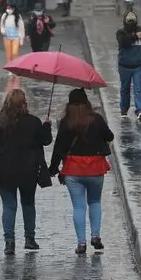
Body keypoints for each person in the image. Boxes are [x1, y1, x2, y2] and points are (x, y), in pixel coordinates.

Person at [0, 89, 53, 255]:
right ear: (24, 103)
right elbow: (45, 141)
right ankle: (30, 239)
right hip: (29, 170)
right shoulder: (33, 122)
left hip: (4, 170)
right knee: (28, 203)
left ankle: (9, 242)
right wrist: (47, 127)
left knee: (9, 205)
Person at [49, 89, 115, 254]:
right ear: (87, 103)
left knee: (79, 207)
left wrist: (53, 168)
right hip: (95, 168)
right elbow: (110, 135)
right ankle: (96, 235)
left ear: (69, 104)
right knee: (95, 202)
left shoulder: (66, 122)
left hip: (73, 169)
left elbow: (59, 148)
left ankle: (81, 243)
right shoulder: (96, 119)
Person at [117, 10, 141, 121]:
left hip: (138, 66)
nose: (131, 22)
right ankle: (124, 109)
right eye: (129, 20)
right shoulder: (121, 33)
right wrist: (135, 36)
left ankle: (140, 109)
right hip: (124, 66)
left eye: (133, 20)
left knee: (138, 88)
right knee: (125, 88)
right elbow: (123, 42)